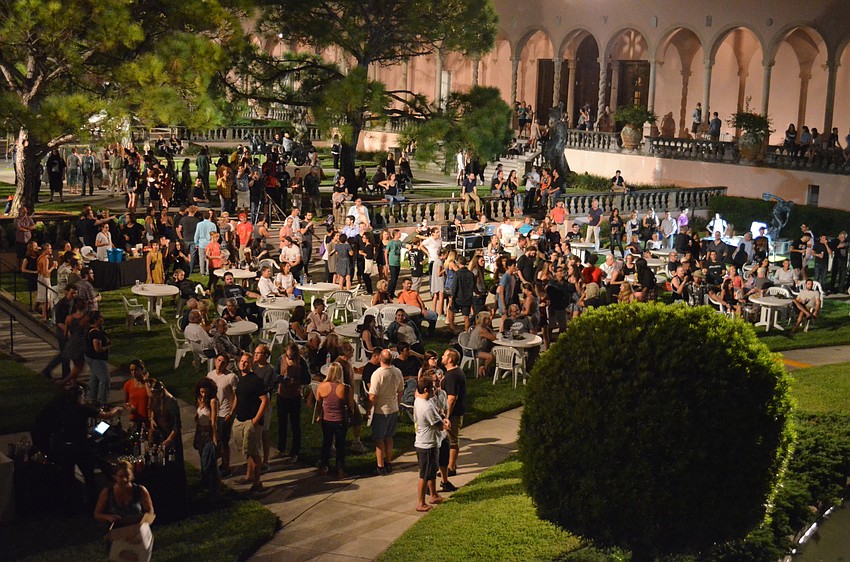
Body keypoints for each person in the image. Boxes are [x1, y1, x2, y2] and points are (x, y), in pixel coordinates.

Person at [93, 461, 155, 562]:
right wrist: (109, 517)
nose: (124, 479)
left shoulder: (140, 490)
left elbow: (150, 510)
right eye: (121, 476)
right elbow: (97, 514)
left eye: (127, 475)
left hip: (136, 535)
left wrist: (145, 522)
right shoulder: (107, 492)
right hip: (117, 536)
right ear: (115, 477)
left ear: (132, 476)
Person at [232, 353, 269, 493]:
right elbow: (237, 397)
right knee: (247, 450)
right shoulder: (241, 379)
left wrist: (255, 420)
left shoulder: (256, 381)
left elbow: (265, 401)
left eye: (246, 362)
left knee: (254, 452)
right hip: (240, 420)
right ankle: (249, 476)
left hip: (251, 422)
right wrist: (231, 413)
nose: (243, 364)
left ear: (251, 364)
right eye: (241, 361)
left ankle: (257, 483)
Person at [413, 375, 449, 512]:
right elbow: (439, 425)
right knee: (424, 475)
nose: (435, 390)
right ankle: (421, 503)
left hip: (428, 442)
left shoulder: (419, 400)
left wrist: (442, 418)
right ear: (426, 390)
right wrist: (445, 423)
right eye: (433, 388)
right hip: (427, 445)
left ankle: (434, 495)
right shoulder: (427, 407)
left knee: (432, 471)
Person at [316, 362, 356, 479]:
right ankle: (340, 470)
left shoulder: (321, 386)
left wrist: (319, 415)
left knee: (327, 443)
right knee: (340, 445)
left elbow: (319, 404)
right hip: (340, 420)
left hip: (326, 420)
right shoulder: (345, 388)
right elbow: (351, 406)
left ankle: (323, 466)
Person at [369, 349, 404, 475]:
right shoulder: (397, 372)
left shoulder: (377, 374)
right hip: (393, 408)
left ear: (380, 359)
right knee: (389, 437)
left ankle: (380, 466)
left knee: (379, 439)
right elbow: (401, 391)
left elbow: (372, 395)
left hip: (381, 410)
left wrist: (368, 409)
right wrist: (398, 403)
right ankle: (389, 463)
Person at [276, 343, 310, 463]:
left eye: (292, 357)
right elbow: (276, 374)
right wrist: (282, 379)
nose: (290, 359)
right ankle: (281, 448)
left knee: (295, 425)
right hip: (282, 395)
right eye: (289, 357)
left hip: (295, 396)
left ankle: (295, 451)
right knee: (282, 423)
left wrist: (295, 381)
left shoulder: (302, 362)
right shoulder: (281, 359)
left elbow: (307, 379)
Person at [207, 354, 238, 477]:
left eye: (223, 362)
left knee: (223, 441)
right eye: (219, 361)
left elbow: (236, 396)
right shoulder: (210, 375)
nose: (220, 363)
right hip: (212, 412)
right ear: (215, 361)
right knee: (213, 439)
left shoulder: (231, 377)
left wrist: (231, 412)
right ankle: (214, 465)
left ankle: (226, 466)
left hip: (224, 413)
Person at [441, 348, 466, 477]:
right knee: (451, 439)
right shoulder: (455, 372)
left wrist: (447, 416)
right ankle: (452, 464)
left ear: (450, 359)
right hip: (456, 412)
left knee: (452, 440)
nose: (442, 357)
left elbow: (451, 398)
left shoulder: (452, 376)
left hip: (454, 414)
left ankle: (450, 468)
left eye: (444, 355)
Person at [193, 378, 220, 495]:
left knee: (207, 461)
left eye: (205, 392)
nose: (203, 394)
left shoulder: (213, 401)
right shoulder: (200, 400)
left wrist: (215, 437)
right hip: (200, 434)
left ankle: (212, 486)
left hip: (209, 433)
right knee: (204, 460)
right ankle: (208, 485)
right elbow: (198, 418)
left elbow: (214, 421)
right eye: (201, 391)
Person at [85, 311, 112, 406]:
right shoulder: (95, 333)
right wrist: (108, 346)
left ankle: (92, 399)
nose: (102, 318)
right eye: (100, 317)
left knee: (94, 378)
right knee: (105, 379)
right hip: (96, 359)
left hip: (91, 358)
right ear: (96, 320)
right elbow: (98, 349)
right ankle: (103, 402)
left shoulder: (93, 330)